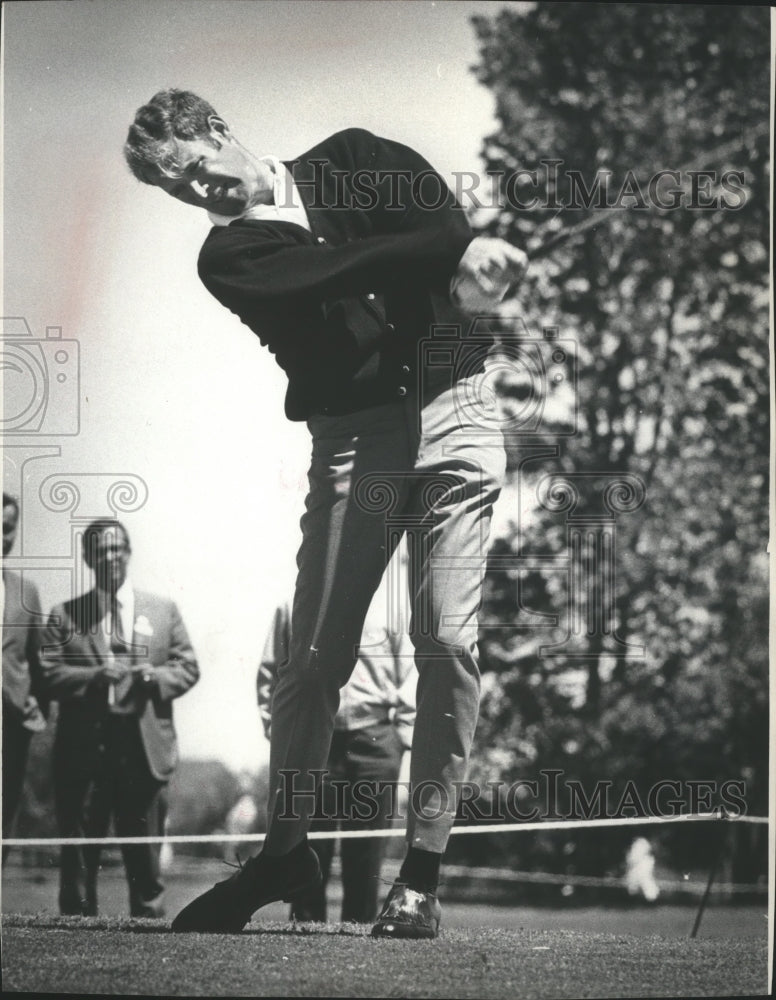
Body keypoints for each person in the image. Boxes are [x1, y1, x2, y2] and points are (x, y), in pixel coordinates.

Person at [124, 89, 528, 938]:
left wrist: (468, 268)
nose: (201, 196)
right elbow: (345, 270)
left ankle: (420, 878)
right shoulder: (230, 257)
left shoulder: (352, 156)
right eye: (180, 193)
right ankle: (283, 853)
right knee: (313, 659)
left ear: (221, 131)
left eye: (197, 170)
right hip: (356, 439)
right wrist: (455, 256)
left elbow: (438, 234)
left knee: (448, 641)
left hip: (459, 410)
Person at [40, 519, 199, 917]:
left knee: (145, 855)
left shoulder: (163, 610)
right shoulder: (64, 615)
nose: (110, 557)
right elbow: (47, 674)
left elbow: (188, 667)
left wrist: (154, 676)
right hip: (84, 751)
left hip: (143, 749)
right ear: (88, 557)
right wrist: (94, 677)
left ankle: (148, 931)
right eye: (101, 550)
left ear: (128, 553)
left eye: (117, 548)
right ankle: (75, 936)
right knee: (79, 853)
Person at [259, 565, 416, 923]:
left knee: (367, 852)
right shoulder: (295, 603)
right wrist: (282, 734)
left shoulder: (391, 607)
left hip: (375, 738)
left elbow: (410, 672)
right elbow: (271, 671)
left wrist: (400, 738)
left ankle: (359, 932)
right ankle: (305, 932)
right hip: (315, 738)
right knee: (308, 845)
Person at [2, 493, 48, 865]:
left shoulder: (26, 591)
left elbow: (39, 660)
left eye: (7, 528)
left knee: (4, 813)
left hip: (11, 724)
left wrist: (37, 706)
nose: (2, 537)